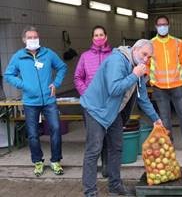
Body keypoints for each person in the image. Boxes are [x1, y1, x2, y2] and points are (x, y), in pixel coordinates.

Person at [80, 39, 163, 196]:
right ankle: (90, 192)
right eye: (144, 54)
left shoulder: (138, 68)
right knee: (94, 150)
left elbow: (143, 98)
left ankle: (115, 186)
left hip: (113, 111)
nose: (146, 59)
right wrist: (134, 75)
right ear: (135, 50)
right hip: (96, 109)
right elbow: (114, 88)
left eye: (149, 57)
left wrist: (155, 118)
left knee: (116, 148)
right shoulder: (117, 60)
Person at [4, 26, 67, 177]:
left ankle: (55, 161)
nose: (33, 40)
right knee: (32, 134)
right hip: (30, 102)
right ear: (24, 40)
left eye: (35, 37)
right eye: (30, 37)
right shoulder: (18, 57)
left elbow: (62, 67)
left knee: (56, 129)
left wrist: (56, 83)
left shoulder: (48, 53)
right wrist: (24, 85)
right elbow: (8, 75)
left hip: (49, 100)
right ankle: (38, 162)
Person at [147, 15, 182, 153]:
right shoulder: (150, 44)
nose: (162, 27)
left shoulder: (178, 42)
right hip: (159, 87)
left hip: (177, 85)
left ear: (168, 25)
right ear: (156, 27)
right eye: (160, 25)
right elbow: (146, 63)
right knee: (165, 119)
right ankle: (169, 144)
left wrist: (177, 73)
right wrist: (151, 78)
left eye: (165, 24)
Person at [74, 25, 112, 178]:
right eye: (96, 35)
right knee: (94, 138)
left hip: (109, 103)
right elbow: (78, 78)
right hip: (91, 104)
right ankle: (90, 170)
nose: (99, 37)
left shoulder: (113, 55)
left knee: (109, 136)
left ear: (106, 36)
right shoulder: (85, 56)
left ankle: (106, 166)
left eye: (101, 34)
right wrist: (86, 93)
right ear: (92, 38)